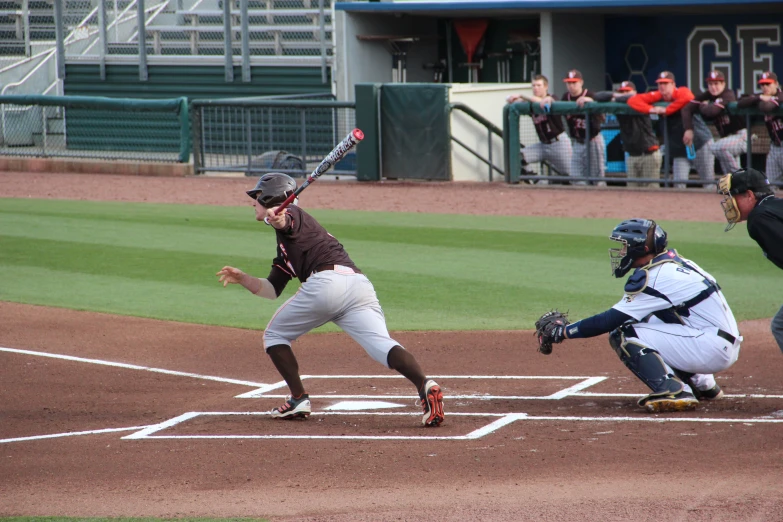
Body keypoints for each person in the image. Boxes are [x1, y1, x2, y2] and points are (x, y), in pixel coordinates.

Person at [216, 173, 445, 426]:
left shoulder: (294, 216)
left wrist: (279, 220)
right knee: (382, 344)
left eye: (257, 197)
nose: (253, 202)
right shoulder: (290, 246)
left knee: (274, 336)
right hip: (358, 286)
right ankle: (425, 385)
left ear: (271, 198)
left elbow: (287, 221)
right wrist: (244, 278)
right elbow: (271, 289)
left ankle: (298, 399)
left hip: (327, 284)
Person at [539, 218, 741, 413]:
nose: (620, 252)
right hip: (713, 339)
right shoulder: (674, 262)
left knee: (623, 332)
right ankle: (704, 384)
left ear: (641, 249)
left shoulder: (656, 277)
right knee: (646, 318)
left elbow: (610, 320)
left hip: (711, 347)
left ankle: (674, 391)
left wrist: (563, 331)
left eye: (624, 246)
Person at [717, 167, 783, 353]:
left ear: (749, 195)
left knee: (780, 326)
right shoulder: (775, 206)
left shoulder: (759, 218)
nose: (729, 202)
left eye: (733, 196)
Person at [628, 71, 716, 189]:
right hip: (679, 147)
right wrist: (651, 109)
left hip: (700, 143)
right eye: (660, 84)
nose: (662, 86)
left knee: (708, 183)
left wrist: (667, 110)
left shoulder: (681, 92)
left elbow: (688, 97)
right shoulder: (657, 96)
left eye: (666, 83)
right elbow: (632, 100)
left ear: (673, 84)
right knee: (678, 185)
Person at [541, 69, 605, 186]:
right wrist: (549, 98)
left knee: (598, 179)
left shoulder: (590, 94)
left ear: (581, 82)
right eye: (568, 83)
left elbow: (604, 111)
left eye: (574, 82)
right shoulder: (566, 97)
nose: (571, 86)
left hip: (593, 140)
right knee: (575, 177)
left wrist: (591, 101)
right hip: (577, 142)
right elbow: (555, 101)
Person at [593, 80, 661, 188]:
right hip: (632, 155)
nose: (624, 94)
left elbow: (631, 98)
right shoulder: (619, 105)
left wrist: (618, 98)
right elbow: (597, 96)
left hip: (649, 154)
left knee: (651, 191)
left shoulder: (640, 101)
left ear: (634, 92)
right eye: (622, 92)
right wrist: (615, 95)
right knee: (632, 192)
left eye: (627, 91)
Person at [505, 74, 572, 182]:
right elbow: (511, 101)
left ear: (546, 87)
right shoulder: (530, 104)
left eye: (539, 85)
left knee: (573, 175)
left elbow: (543, 102)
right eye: (534, 85)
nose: (536, 88)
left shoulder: (552, 97)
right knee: (518, 156)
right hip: (542, 146)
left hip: (559, 144)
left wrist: (521, 95)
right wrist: (513, 98)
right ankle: (536, 179)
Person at [683, 70, 746, 178]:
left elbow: (712, 111)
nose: (713, 87)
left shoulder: (728, 94)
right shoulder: (707, 95)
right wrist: (689, 129)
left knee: (716, 148)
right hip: (727, 139)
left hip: (741, 136)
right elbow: (686, 109)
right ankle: (737, 182)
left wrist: (703, 106)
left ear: (723, 84)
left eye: (716, 83)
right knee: (726, 165)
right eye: (710, 84)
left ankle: (741, 178)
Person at [737, 71, 783, 184]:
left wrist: (761, 100)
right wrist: (759, 98)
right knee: (769, 186)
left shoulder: (781, 95)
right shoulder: (763, 96)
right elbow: (740, 103)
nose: (765, 87)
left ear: (776, 84)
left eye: (768, 84)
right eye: (762, 85)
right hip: (775, 146)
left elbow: (767, 107)